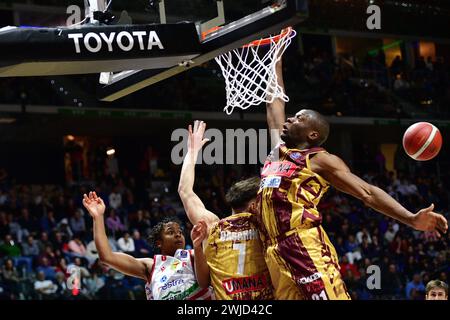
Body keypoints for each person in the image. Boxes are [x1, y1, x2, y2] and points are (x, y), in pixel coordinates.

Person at [257, 58, 448, 300]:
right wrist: (275, 56)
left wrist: (410, 219)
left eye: (299, 118)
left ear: (312, 134)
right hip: (274, 252)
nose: (290, 119)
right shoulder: (278, 152)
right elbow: (274, 104)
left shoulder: (319, 159)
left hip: (303, 245)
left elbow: (366, 192)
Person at [178, 121, 274, 300]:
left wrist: (192, 152)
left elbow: (185, 191)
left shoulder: (212, 226)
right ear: (255, 204)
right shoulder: (267, 224)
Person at [82, 191, 213, 300]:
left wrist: (197, 247)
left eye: (180, 232)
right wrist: (98, 217)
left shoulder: (194, 255)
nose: (178, 235)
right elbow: (106, 256)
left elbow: (206, 282)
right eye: (171, 232)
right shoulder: (150, 266)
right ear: (159, 242)